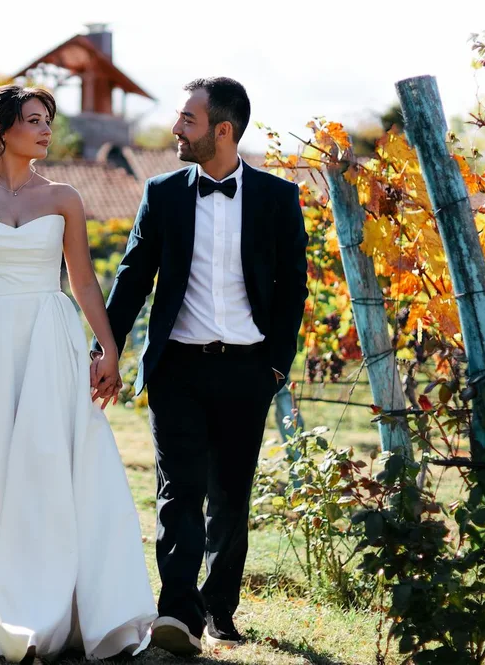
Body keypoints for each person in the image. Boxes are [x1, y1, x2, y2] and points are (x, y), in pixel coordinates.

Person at [0, 84, 156, 662]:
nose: (47, 130)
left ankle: (60, 599)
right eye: (34, 120)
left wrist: (108, 347)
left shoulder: (65, 198)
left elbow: (83, 280)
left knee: (52, 456)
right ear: (1, 131)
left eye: (48, 120)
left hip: (51, 336)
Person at [94, 77, 308, 655]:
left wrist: (276, 368)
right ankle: (178, 614)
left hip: (248, 370)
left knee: (231, 495)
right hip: (177, 369)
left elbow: (293, 289)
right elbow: (133, 278)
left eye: (187, 120)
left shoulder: (277, 198)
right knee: (178, 491)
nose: (175, 129)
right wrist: (106, 350)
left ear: (223, 129)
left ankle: (220, 610)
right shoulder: (161, 193)